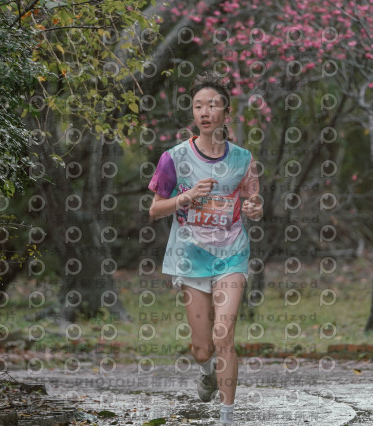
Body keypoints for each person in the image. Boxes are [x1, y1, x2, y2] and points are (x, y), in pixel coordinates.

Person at [148, 70, 262, 426]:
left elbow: (254, 201)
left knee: (224, 334)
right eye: (198, 105)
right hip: (190, 257)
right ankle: (207, 370)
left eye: (212, 105)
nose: (205, 112)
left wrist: (255, 208)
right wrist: (185, 197)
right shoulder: (174, 157)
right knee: (202, 348)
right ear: (193, 112)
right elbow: (155, 210)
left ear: (226, 112)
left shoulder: (243, 159)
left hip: (231, 254)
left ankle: (226, 417)